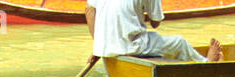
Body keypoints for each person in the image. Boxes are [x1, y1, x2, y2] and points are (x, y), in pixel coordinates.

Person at [85, 0, 222, 63]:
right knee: (179, 42)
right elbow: (155, 23)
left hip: (105, 48)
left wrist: (98, 45)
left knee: (162, 45)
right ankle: (206, 63)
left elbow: (89, 10)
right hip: (132, 45)